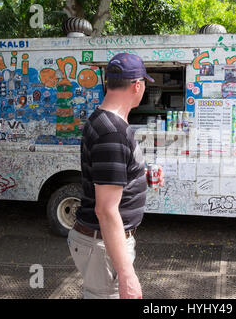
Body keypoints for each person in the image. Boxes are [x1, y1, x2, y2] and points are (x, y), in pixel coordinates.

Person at [67, 53, 164, 299]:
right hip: (102, 245)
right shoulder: (112, 132)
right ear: (137, 85)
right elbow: (106, 210)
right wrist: (127, 275)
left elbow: (110, 173)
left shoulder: (106, 122)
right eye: (144, 85)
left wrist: (141, 175)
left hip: (103, 242)